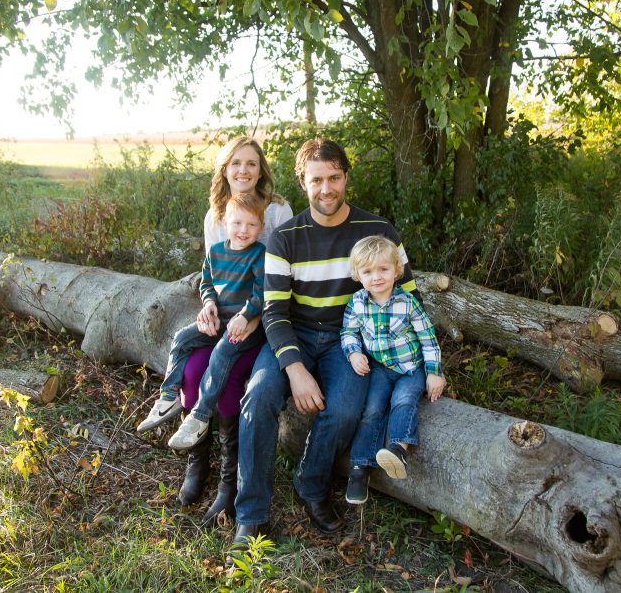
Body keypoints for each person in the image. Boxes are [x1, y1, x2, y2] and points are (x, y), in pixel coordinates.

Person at [231, 137, 420, 548]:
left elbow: (409, 296)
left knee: (347, 409)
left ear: (346, 177)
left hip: (348, 340)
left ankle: (311, 484)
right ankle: (251, 513)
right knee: (259, 395)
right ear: (304, 182)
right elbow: (275, 311)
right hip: (293, 332)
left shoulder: (377, 230)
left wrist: (404, 354)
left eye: (335, 177)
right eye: (317, 179)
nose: (327, 188)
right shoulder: (285, 237)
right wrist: (296, 371)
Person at [138, 137, 292, 526]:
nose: (243, 170)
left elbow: (279, 277)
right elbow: (213, 275)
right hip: (223, 316)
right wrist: (207, 307)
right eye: (235, 163)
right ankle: (197, 461)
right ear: (224, 169)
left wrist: (254, 315)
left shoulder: (277, 211)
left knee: (225, 377)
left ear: (261, 170)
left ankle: (228, 481)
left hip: (260, 320)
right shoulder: (215, 216)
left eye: (252, 164)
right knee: (192, 370)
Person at [137, 192, 267, 451]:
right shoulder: (216, 252)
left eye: (251, 224)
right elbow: (206, 283)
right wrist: (208, 304)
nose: (244, 230)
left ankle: (200, 415)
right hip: (217, 320)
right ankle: (168, 395)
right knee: (182, 338)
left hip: (243, 326)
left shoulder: (259, 255)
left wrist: (245, 316)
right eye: (238, 223)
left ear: (261, 228)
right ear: (226, 223)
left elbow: (263, 292)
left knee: (221, 353)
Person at [339, 235, 445, 505]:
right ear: (358, 275)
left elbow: (428, 338)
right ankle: (359, 468)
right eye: (368, 271)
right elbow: (349, 332)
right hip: (381, 368)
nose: (376, 277)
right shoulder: (357, 303)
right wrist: (354, 354)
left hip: (411, 369)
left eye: (383, 269)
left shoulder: (407, 302)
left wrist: (434, 371)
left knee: (403, 400)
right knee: (372, 408)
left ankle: (398, 448)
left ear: (396, 270)